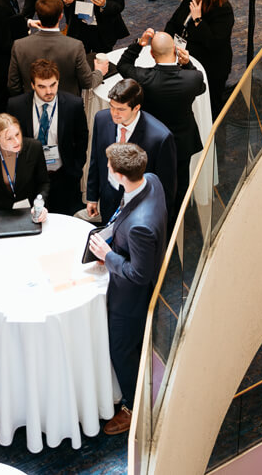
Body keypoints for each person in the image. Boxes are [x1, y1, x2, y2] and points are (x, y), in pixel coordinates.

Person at [84, 143, 169, 435]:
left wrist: (108, 256)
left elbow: (138, 274)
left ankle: (133, 408)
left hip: (129, 300)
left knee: (121, 349)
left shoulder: (140, 227)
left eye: (109, 167)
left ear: (120, 175)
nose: (107, 169)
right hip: (127, 256)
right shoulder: (152, 181)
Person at [107, 30, 204, 213]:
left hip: (152, 143)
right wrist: (188, 64)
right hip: (183, 142)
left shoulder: (143, 78)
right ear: (176, 51)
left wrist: (138, 44)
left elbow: (123, 65)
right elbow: (201, 88)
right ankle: (177, 221)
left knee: (151, 182)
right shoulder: (193, 77)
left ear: (152, 54)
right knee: (181, 182)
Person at [85, 79, 176, 221]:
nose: (114, 113)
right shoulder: (101, 119)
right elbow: (96, 160)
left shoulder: (160, 137)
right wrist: (92, 197)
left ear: (136, 108)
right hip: (108, 199)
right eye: (112, 106)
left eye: (121, 109)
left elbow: (165, 188)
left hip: (139, 210)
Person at [6, 59, 88, 216]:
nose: (49, 91)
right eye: (42, 86)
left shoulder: (73, 104)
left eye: (53, 85)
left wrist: (76, 168)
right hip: (31, 176)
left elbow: (82, 137)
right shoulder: (16, 106)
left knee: (63, 218)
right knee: (33, 219)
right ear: (32, 85)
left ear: (58, 82)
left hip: (63, 175)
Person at [166, 0, 235, 117]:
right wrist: (166, 40)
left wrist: (198, 20)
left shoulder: (223, 10)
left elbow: (213, 43)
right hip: (186, 58)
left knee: (211, 104)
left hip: (212, 66)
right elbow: (174, 22)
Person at [6, 0, 102, 96]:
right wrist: (99, 71)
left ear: (38, 14)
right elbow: (87, 82)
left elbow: (13, 86)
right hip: (66, 108)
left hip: (33, 105)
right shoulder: (75, 46)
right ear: (60, 16)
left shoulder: (19, 46)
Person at [0, 114, 51, 216]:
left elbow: (44, 182)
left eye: (17, 134)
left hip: (31, 209)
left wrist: (40, 203)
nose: (17, 141)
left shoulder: (34, 147)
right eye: (9, 138)